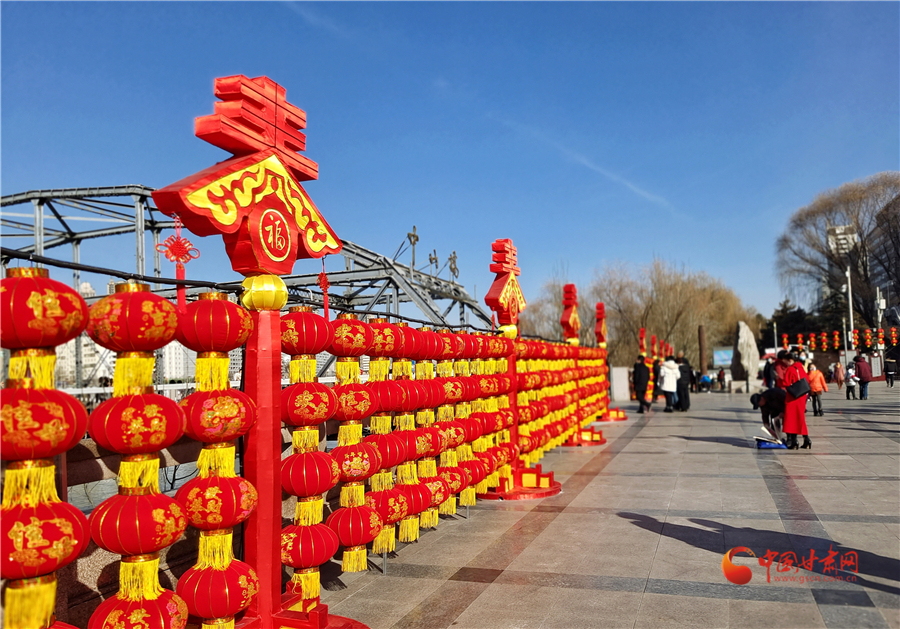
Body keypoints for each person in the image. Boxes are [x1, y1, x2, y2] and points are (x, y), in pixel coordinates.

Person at [782, 352, 811, 449]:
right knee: (800, 417)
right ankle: (806, 439)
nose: (785, 363)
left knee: (791, 419)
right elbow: (807, 380)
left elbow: (786, 382)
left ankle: (794, 442)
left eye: (786, 361)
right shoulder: (801, 368)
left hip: (793, 397)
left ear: (790, 360)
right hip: (802, 396)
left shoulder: (790, 369)